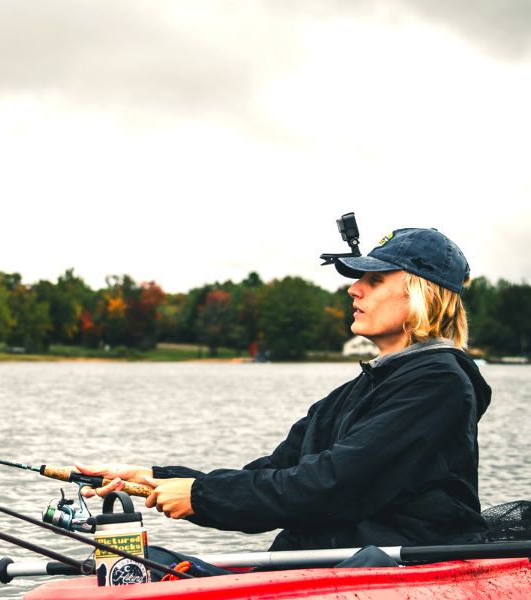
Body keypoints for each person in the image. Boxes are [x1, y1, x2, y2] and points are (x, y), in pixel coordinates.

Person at [78, 227, 491, 555]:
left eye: (375, 280)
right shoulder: (348, 395)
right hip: (328, 563)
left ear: (422, 294)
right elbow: (272, 475)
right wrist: (154, 478)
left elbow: (330, 485)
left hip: (396, 570)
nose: (354, 289)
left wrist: (200, 496)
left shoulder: (438, 384)